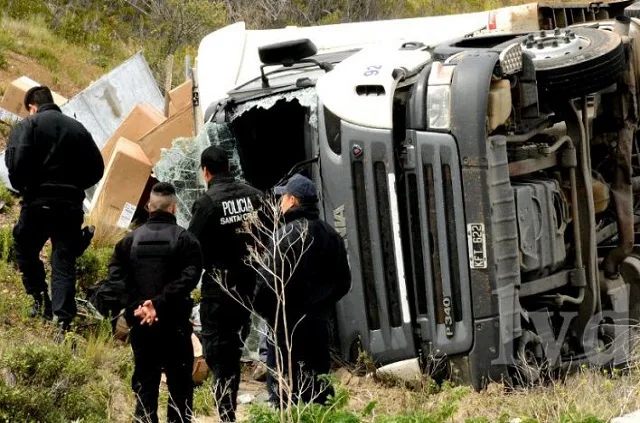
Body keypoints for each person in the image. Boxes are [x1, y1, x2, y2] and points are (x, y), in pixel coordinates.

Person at [5, 86, 104, 331]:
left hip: (38, 202)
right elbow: (97, 169)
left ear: (32, 107)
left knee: (25, 249)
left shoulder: (29, 126)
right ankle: (63, 322)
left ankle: (40, 302)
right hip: (70, 207)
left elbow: (15, 164)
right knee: (63, 261)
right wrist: (74, 187)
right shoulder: (78, 129)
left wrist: (26, 188)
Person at [107, 182, 203, 423]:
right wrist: (158, 303)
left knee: (145, 387)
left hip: (142, 326)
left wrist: (138, 306)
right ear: (173, 208)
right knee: (180, 388)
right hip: (175, 326)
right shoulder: (186, 240)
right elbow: (189, 277)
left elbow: (116, 277)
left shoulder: (129, 242)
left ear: (149, 207)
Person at [253, 173, 351, 407]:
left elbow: (265, 288)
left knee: (285, 392)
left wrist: (273, 317)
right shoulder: (330, 234)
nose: (280, 203)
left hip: (286, 328)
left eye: (283, 198)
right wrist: (321, 305)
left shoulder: (284, 236)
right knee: (318, 390)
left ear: (293, 200)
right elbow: (343, 282)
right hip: (318, 326)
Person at [187, 146, 263, 422]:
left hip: (219, 287)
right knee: (234, 345)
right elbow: (268, 234)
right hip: (248, 285)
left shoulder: (207, 203)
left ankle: (225, 410)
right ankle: (228, 404)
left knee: (218, 351)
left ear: (205, 171)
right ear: (228, 167)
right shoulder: (254, 196)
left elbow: (190, 246)